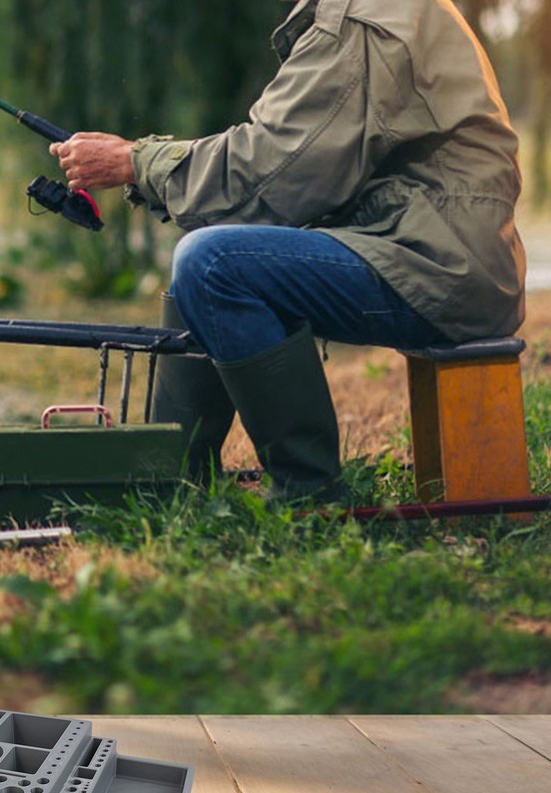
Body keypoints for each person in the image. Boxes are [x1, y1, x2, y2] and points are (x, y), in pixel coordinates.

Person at [50, 0, 526, 501]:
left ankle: (309, 492)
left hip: (437, 269)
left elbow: (271, 171)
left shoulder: (363, 20)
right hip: (443, 258)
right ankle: (168, 482)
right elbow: (285, 172)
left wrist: (134, 161)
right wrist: (150, 165)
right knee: (216, 254)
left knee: (212, 264)